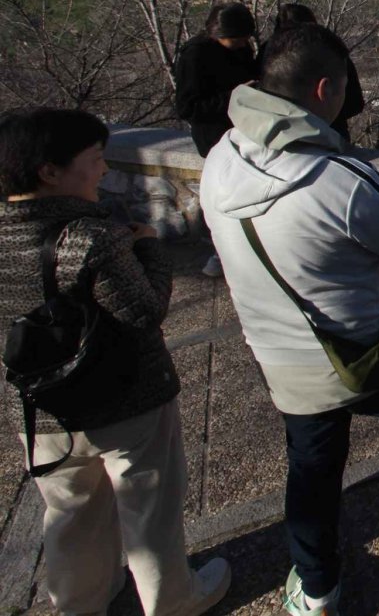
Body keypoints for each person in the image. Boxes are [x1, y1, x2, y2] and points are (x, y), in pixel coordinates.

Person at [199, 24, 379, 616]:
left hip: (282, 359)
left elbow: (303, 227)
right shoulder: (340, 179)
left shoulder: (219, 159)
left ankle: (317, 587)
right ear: (323, 91)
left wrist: (376, 199)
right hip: (367, 342)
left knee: (311, 474)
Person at [0, 108, 231, 615]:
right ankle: (172, 599)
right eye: (95, 159)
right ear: (50, 172)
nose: (103, 170)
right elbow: (144, 311)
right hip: (127, 403)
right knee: (149, 510)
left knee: (69, 511)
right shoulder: (88, 237)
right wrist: (149, 251)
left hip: (40, 408)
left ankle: (82, 601)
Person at [174, 2, 259, 277]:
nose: (243, 43)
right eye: (238, 38)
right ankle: (221, 253)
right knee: (227, 202)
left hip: (245, 133)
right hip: (216, 139)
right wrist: (235, 95)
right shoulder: (195, 56)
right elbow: (188, 108)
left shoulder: (242, 49)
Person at [271, 3, 365, 142]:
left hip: (279, 134)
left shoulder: (270, 54)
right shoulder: (332, 54)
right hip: (330, 134)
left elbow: (355, 102)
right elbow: (355, 103)